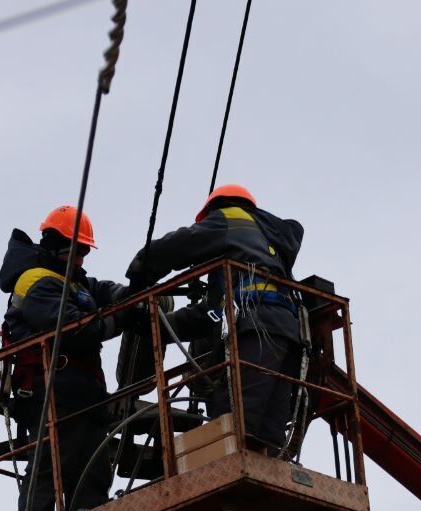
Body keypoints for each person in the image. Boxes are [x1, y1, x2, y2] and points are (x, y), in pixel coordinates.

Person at [124, 184, 304, 454]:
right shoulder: (259, 250)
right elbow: (212, 314)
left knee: (235, 415)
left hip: (258, 328)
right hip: (284, 333)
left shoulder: (230, 219)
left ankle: (234, 473)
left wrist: (139, 275)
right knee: (269, 426)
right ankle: (263, 476)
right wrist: (162, 325)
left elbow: (179, 245)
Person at [0, 205, 132, 511]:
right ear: (60, 247)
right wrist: (120, 318)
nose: (81, 261)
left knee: (94, 468)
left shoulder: (74, 282)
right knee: (51, 464)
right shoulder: (35, 282)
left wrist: (133, 297)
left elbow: (102, 290)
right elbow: (72, 328)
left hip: (84, 392)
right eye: (78, 252)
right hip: (53, 389)